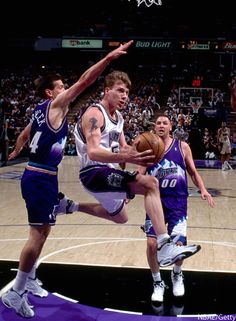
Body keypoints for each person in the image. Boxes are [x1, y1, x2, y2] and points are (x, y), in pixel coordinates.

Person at [1, 40, 135, 318]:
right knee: (37, 234)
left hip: (43, 176)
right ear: (51, 92)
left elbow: (26, 132)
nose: (66, 89)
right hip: (39, 176)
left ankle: (31, 278)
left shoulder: (39, 110)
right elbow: (86, 80)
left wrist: (15, 150)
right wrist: (108, 58)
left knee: (44, 231)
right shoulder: (56, 103)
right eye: (62, 86)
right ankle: (17, 291)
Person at [57, 71, 201, 277]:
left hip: (108, 173)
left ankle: (70, 206)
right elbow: (94, 151)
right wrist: (132, 160)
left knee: (121, 217)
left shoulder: (120, 118)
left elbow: (123, 150)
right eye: (120, 91)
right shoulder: (95, 114)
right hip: (94, 172)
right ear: (107, 91)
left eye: (127, 92)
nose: (125, 96)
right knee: (151, 184)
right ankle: (164, 244)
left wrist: (139, 151)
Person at [139, 115, 215, 303]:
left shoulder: (182, 147)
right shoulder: (148, 148)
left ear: (171, 126)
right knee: (151, 244)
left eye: (165, 123)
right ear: (154, 127)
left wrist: (203, 189)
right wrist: (127, 194)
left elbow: (192, 171)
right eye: (158, 123)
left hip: (178, 202)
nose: (161, 125)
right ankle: (157, 282)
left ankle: (177, 273)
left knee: (178, 245)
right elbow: (139, 173)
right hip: (155, 201)